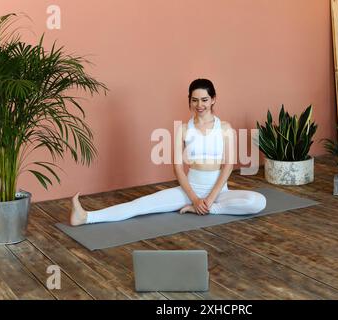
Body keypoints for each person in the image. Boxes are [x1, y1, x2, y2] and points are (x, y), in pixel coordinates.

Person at [70, 79, 266, 225]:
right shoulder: (183, 129)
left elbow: (228, 165)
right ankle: (87, 217)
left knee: (258, 201)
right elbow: (178, 168)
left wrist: (210, 201)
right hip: (190, 190)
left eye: (205, 100)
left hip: (219, 192)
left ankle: (211, 210)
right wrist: (195, 199)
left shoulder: (224, 128)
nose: (200, 105)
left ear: (213, 99)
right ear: (189, 100)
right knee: (140, 205)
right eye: (195, 100)